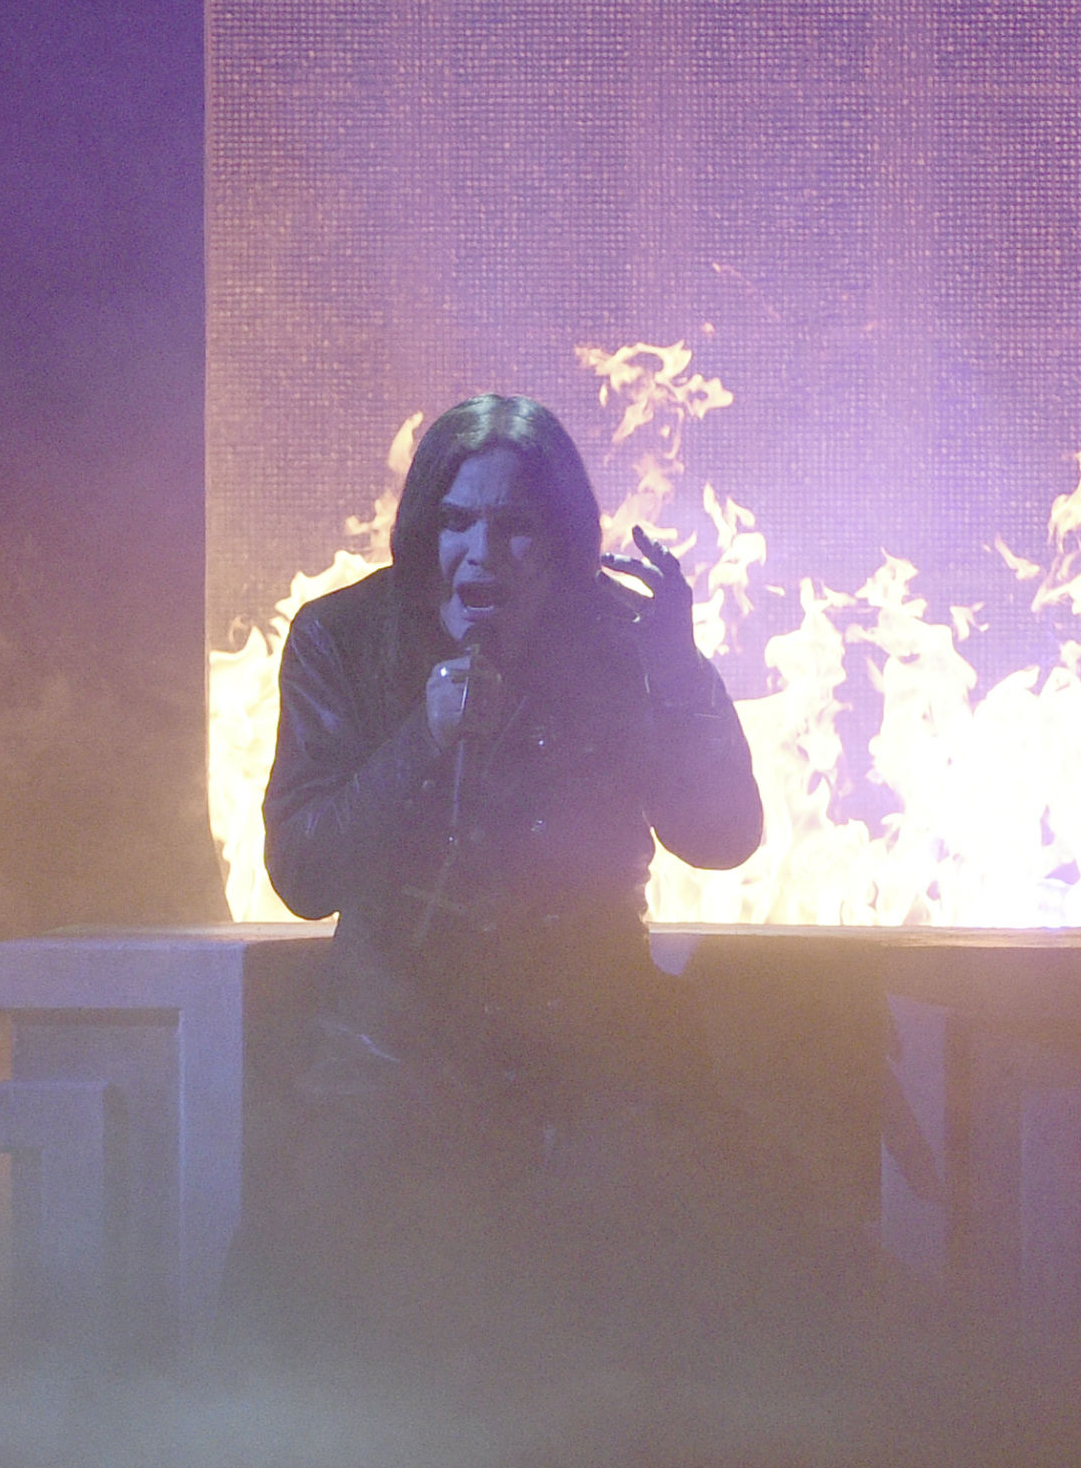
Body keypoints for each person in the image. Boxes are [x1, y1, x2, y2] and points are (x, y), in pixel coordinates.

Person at [254, 394, 767, 1353]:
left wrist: (681, 673)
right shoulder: (343, 637)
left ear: (560, 542)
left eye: (513, 528)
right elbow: (303, 871)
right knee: (330, 1274)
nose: (479, 555)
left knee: (690, 1247)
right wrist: (421, 741)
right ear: (421, 529)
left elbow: (721, 835)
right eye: (454, 523)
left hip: (592, 1049)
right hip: (391, 1054)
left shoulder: (623, 642)